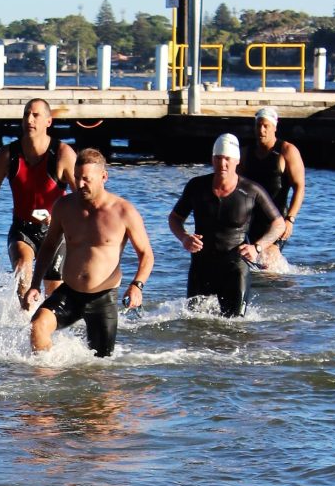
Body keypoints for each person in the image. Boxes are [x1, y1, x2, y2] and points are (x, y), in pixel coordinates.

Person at [24, 148, 154, 358]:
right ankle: (46, 383)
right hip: (70, 293)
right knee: (37, 326)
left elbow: (146, 254)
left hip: (103, 298)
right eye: (76, 178)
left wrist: (137, 285)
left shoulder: (124, 211)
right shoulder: (64, 207)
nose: (80, 184)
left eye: (86, 179)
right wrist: (35, 284)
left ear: (104, 177)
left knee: (101, 369)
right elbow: (48, 246)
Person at [168, 133, 286, 318]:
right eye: (218, 158)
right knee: (193, 324)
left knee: (235, 327)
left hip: (235, 268)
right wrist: (184, 237)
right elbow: (175, 218)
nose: (223, 164)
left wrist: (257, 247)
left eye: (227, 159)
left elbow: (278, 224)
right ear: (212, 159)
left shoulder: (250, 190)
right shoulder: (197, 186)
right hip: (201, 266)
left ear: (237, 160)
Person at [0, 98, 77, 300]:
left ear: (48, 122)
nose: (29, 120)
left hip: (57, 231)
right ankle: (22, 326)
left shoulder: (62, 154)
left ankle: (50, 329)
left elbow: (82, 198)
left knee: (54, 292)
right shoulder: (8, 155)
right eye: (26, 114)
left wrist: (63, 219)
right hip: (22, 229)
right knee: (22, 270)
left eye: (35, 115)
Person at [239, 106, 306, 268]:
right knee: (249, 263)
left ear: (274, 128)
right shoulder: (246, 153)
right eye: (258, 125)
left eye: (265, 126)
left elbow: (300, 187)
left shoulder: (287, 151)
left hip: (277, 222)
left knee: (268, 262)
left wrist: (290, 219)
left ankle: (281, 290)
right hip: (251, 220)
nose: (261, 130)